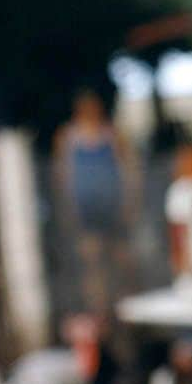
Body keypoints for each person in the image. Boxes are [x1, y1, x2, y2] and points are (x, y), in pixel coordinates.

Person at [54, 88, 141, 316]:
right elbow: (64, 173)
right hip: (86, 208)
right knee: (92, 262)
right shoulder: (68, 136)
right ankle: (99, 310)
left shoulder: (111, 134)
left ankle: (126, 305)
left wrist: (128, 200)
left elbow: (128, 169)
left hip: (112, 205)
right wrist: (69, 206)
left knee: (121, 258)